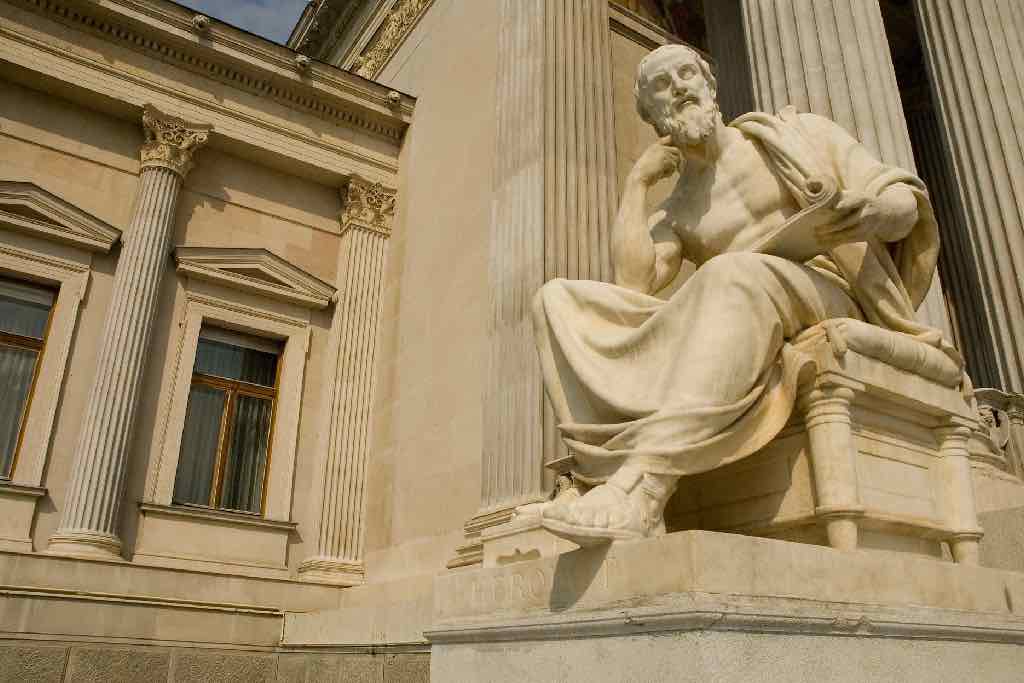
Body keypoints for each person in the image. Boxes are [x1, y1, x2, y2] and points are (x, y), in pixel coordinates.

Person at [525, 43, 960, 546]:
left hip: (831, 288)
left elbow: (904, 204)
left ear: (709, 83)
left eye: (687, 73)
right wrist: (637, 184)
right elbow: (633, 285)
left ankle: (643, 487)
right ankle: (599, 472)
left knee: (732, 273)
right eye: (663, 86)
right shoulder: (677, 210)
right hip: (745, 298)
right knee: (555, 299)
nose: (681, 88)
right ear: (653, 116)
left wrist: (866, 213)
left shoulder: (798, 137)